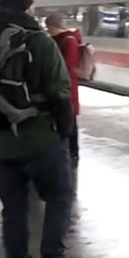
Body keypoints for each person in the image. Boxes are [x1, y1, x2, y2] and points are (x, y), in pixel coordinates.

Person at [0, 0, 87, 258]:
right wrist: (64, 130)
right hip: (39, 137)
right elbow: (59, 93)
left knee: (14, 208)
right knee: (59, 196)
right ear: (26, 7)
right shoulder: (38, 41)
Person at [45, 12, 83, 164]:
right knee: (66, 116)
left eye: (49, 27)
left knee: (70, 117)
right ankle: (68, 150)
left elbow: (68, 65)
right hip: (61, 85)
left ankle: (73, 152)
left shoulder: (69, 40)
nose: (48, 31)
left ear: (55, 26)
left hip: (67, 86)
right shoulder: (56, 40)